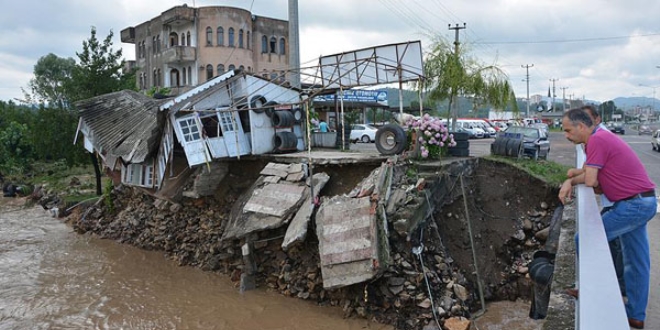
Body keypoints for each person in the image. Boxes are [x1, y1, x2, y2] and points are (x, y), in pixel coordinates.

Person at [558, 107, 656, 329]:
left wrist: (570, 182)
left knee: (584, 240)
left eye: (567, 130)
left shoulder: (597, 140)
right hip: (642, 201)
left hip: (634, 205)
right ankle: (636, 315)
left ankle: (591, 293)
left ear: (581, 127)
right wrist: (574, 179)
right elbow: (589, 177)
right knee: (636, 260)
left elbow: (591, 180)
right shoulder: (599, 138)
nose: (566, 135)